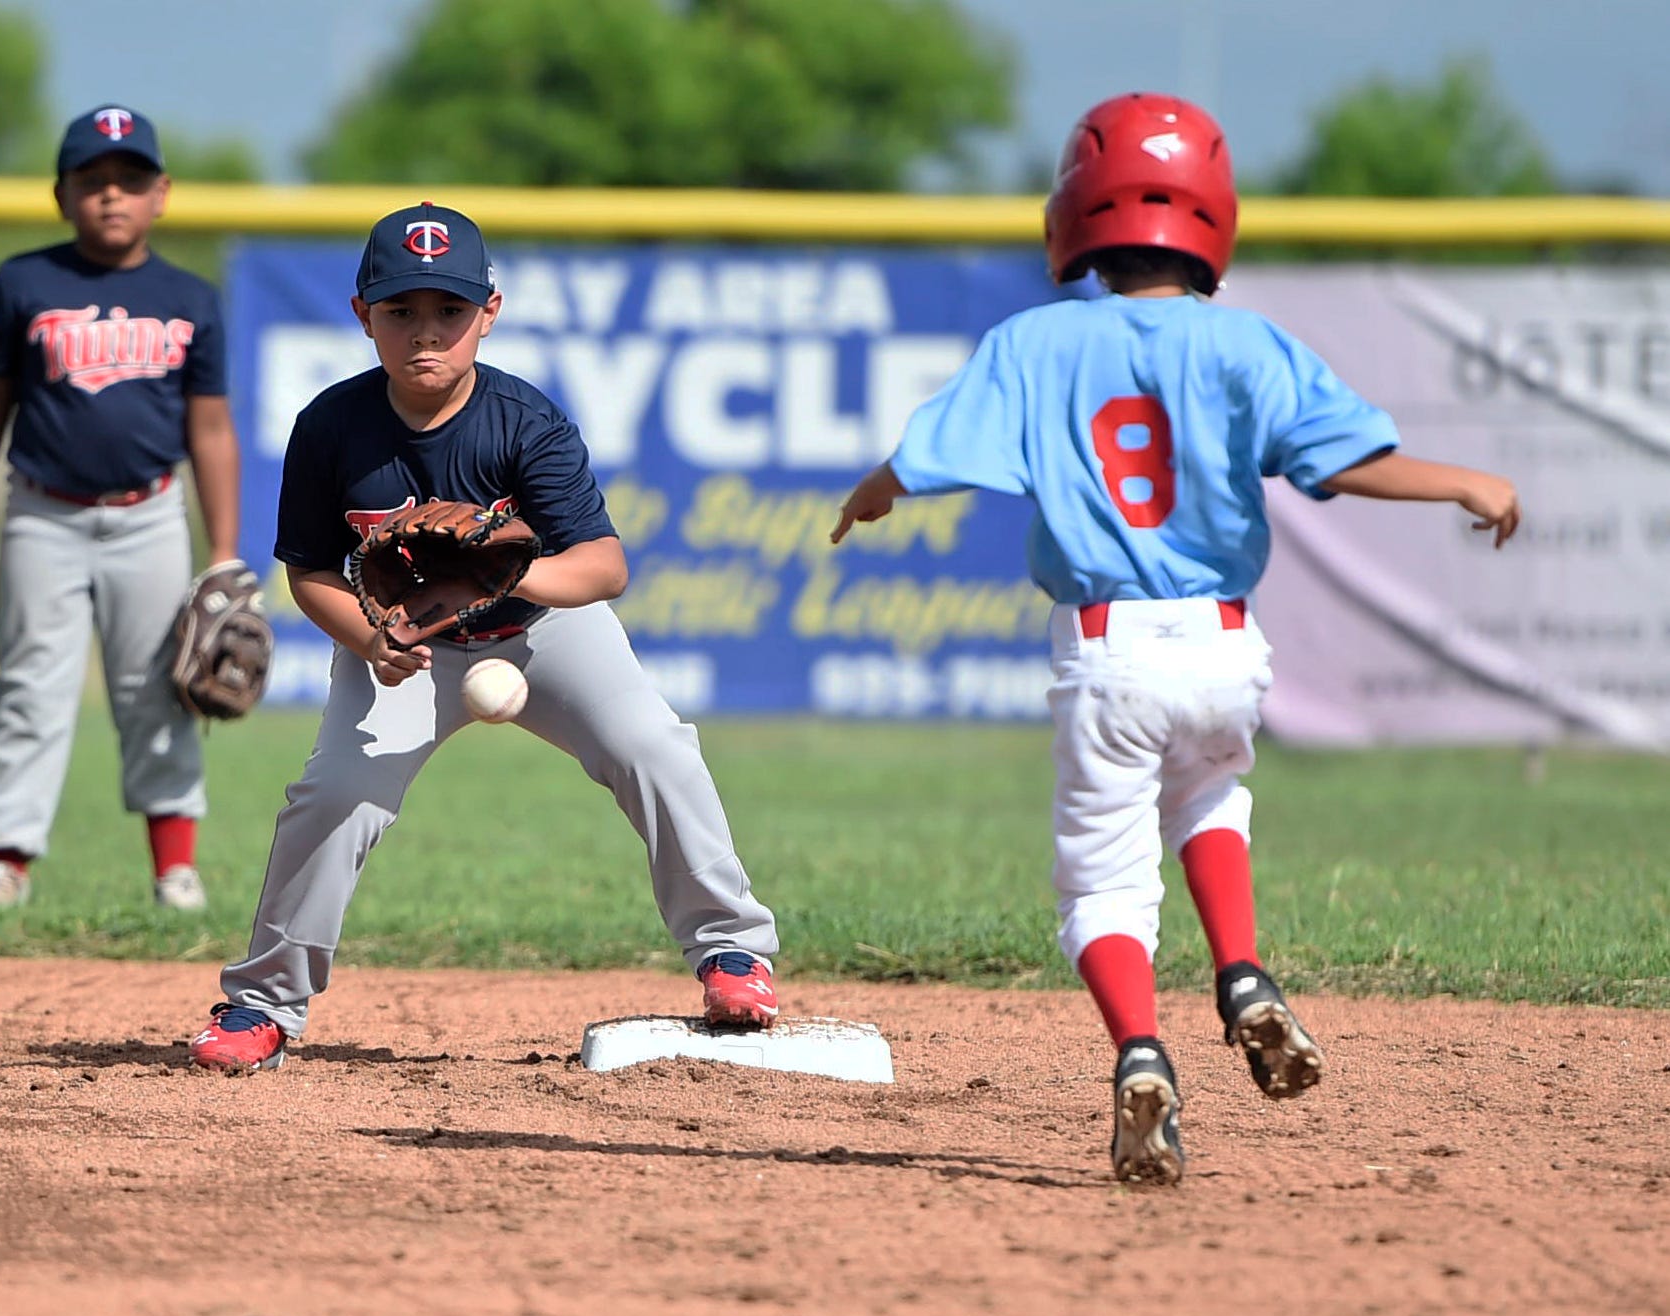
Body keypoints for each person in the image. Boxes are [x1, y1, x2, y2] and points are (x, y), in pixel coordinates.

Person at [830, 92, 1521, 1185]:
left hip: (1107, 649)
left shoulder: (1036, 341)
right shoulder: (1249, 343)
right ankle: (1241, 971)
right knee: (1208, 794)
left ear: (1074, 213)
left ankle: (1138, 1049)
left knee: (1102, 886)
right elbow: (1337, 462)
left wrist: (867, 496)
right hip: (1224, 648)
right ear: (1213, 217)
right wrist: (1462, 482)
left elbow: (919, 461)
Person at [187, 202, 780, 1072]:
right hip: (405, 650)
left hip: (542, 632)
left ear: (488, 314)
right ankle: (262, 1006)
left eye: (449, 311)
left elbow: (605, 567)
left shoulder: (524, 422)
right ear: (363, 315)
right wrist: (370, 637)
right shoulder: (331, 427)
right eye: (401, 310)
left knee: (654, 745)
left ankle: (734, 952)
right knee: (335, 794)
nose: (427, 332)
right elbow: (309, 571)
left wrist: (512, 573)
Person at [0, 106, 241, 912]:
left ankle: (176, 866)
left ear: (162, 194)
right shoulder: (25, 282)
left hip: (150, 517)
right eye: (92, 181)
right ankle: (8, 858)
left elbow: (210, 429)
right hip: (43, 513)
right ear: (61, 194)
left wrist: (225, 551)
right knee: (32, 686)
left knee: (160, 690)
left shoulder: (189, 297)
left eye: (130, 180)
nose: (112, 195)